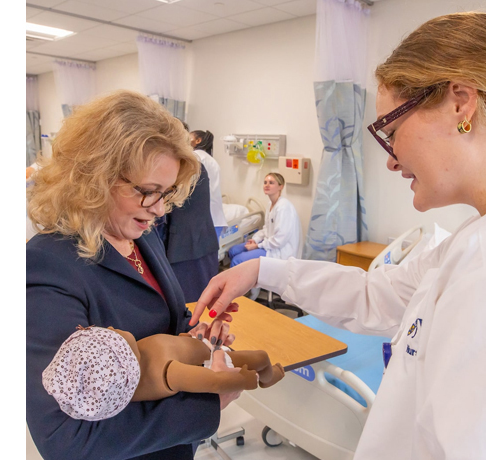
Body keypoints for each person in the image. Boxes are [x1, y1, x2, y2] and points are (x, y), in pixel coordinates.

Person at [194, 12, 486, 458]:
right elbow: (375, 294)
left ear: (461, 103)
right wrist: (260, 269)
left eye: (391, 132)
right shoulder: (466, 242)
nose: (390, 160)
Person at [26, 90, 216, 459]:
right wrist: (210, 405)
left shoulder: (140, 238)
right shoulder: (48, 267)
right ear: (93, 177)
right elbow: (64, 438)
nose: (159, 209)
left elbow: (160, 325)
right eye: (147, 192)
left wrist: (197, 339)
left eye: (166, 193)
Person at [42, 326, 282, 422]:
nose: (113, 327)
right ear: (122, 360)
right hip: (211, 357)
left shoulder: (135, 361)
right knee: (260, 357)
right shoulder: (164, 373)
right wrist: (240, 379)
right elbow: (213, 381)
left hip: (196, 345)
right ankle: (269, 378)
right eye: (112, 334)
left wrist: (186, 339)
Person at [158, 129, 221, 301]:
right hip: (196, 244)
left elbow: (167, 208)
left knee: (189, 309)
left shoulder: (188, 166)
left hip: (186, 250)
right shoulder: (194, 164)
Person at [224, 173, 299, 266]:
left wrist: (258, 246)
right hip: (267, 244)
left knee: (237, 260)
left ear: (280, 187)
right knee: (233, 251)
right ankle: (250, 276)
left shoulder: (283, 207)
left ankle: (242, 278)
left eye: (271, 183)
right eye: (265, 182)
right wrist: (255, 239)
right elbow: (266, 229)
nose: (267, 185)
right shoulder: (270, 204)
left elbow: (279, 239)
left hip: (278, 252)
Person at [191, 130, 225, 237]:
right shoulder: (212, 160)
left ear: (198, 140)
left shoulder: (195, 156)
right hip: (216, 218)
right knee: (212, 253)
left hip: (203, 218)